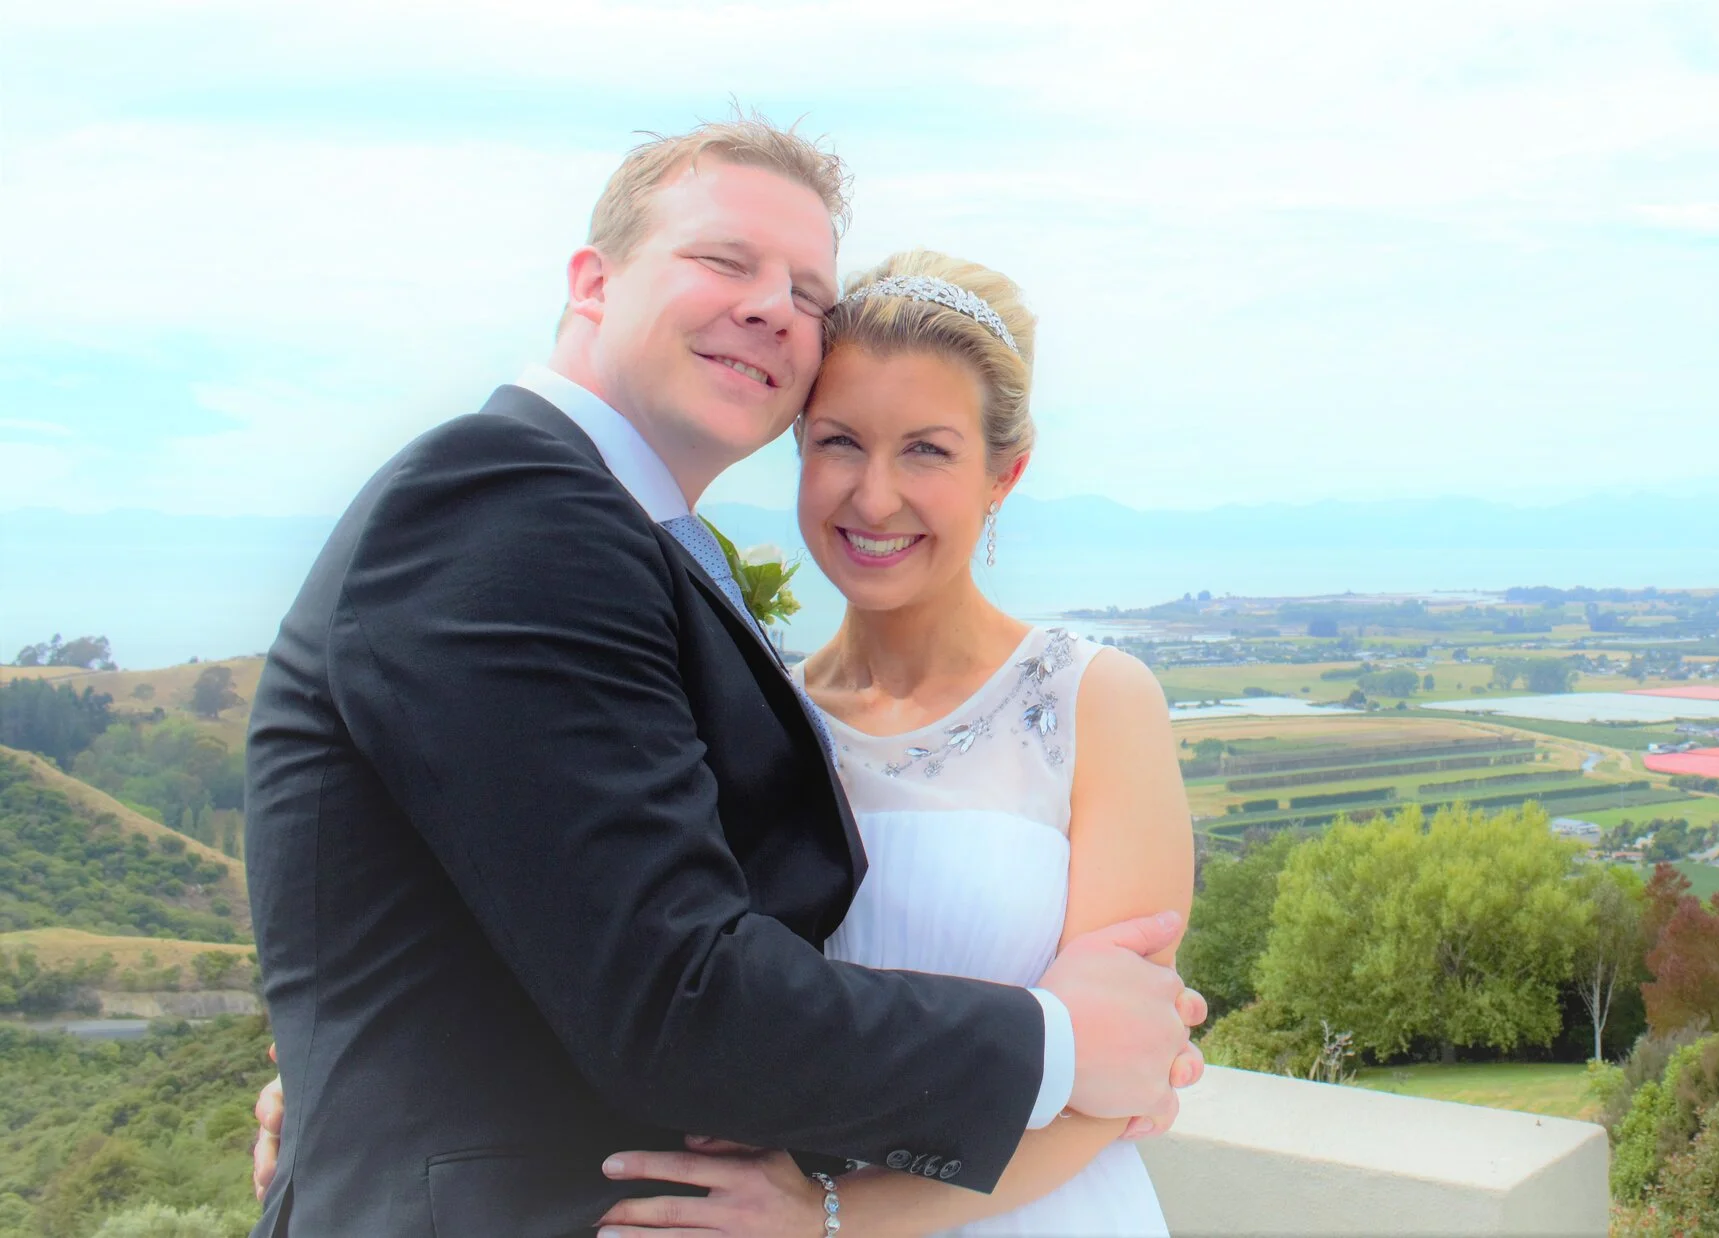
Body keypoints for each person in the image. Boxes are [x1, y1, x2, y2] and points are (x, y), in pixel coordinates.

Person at [242, 118, 1202, 1237]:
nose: (771, 306)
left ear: (1004, 474)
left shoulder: (624, 546)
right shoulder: (512, 506)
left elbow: (570, 913)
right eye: (723, 260)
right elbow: (670, 986)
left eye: (805, 287)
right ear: (592, 281)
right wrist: (1065, 1040)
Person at [590, 251, 1192, 1236]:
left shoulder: (1097, 700)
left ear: (1006, 472)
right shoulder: (744, 714)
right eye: (839, 442)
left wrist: (833, 1217)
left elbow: (1121, 1077)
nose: (873, 498)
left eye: (925, 450)